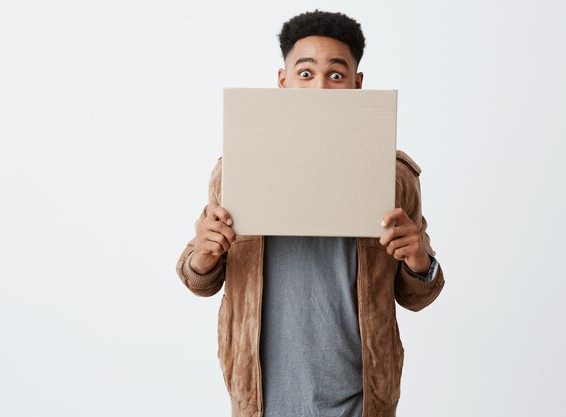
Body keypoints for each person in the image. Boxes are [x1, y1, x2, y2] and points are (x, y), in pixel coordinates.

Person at [175, 10, 445, 417]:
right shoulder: (238, 170)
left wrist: (419, 260)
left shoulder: (394, 178)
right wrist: (204, 252)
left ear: (358, 84)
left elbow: (415, 295)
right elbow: (199, 280)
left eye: (336, 76)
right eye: (305, 73)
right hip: (263, 399)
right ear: (283, 82)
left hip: (361, 397)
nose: (320, 87)